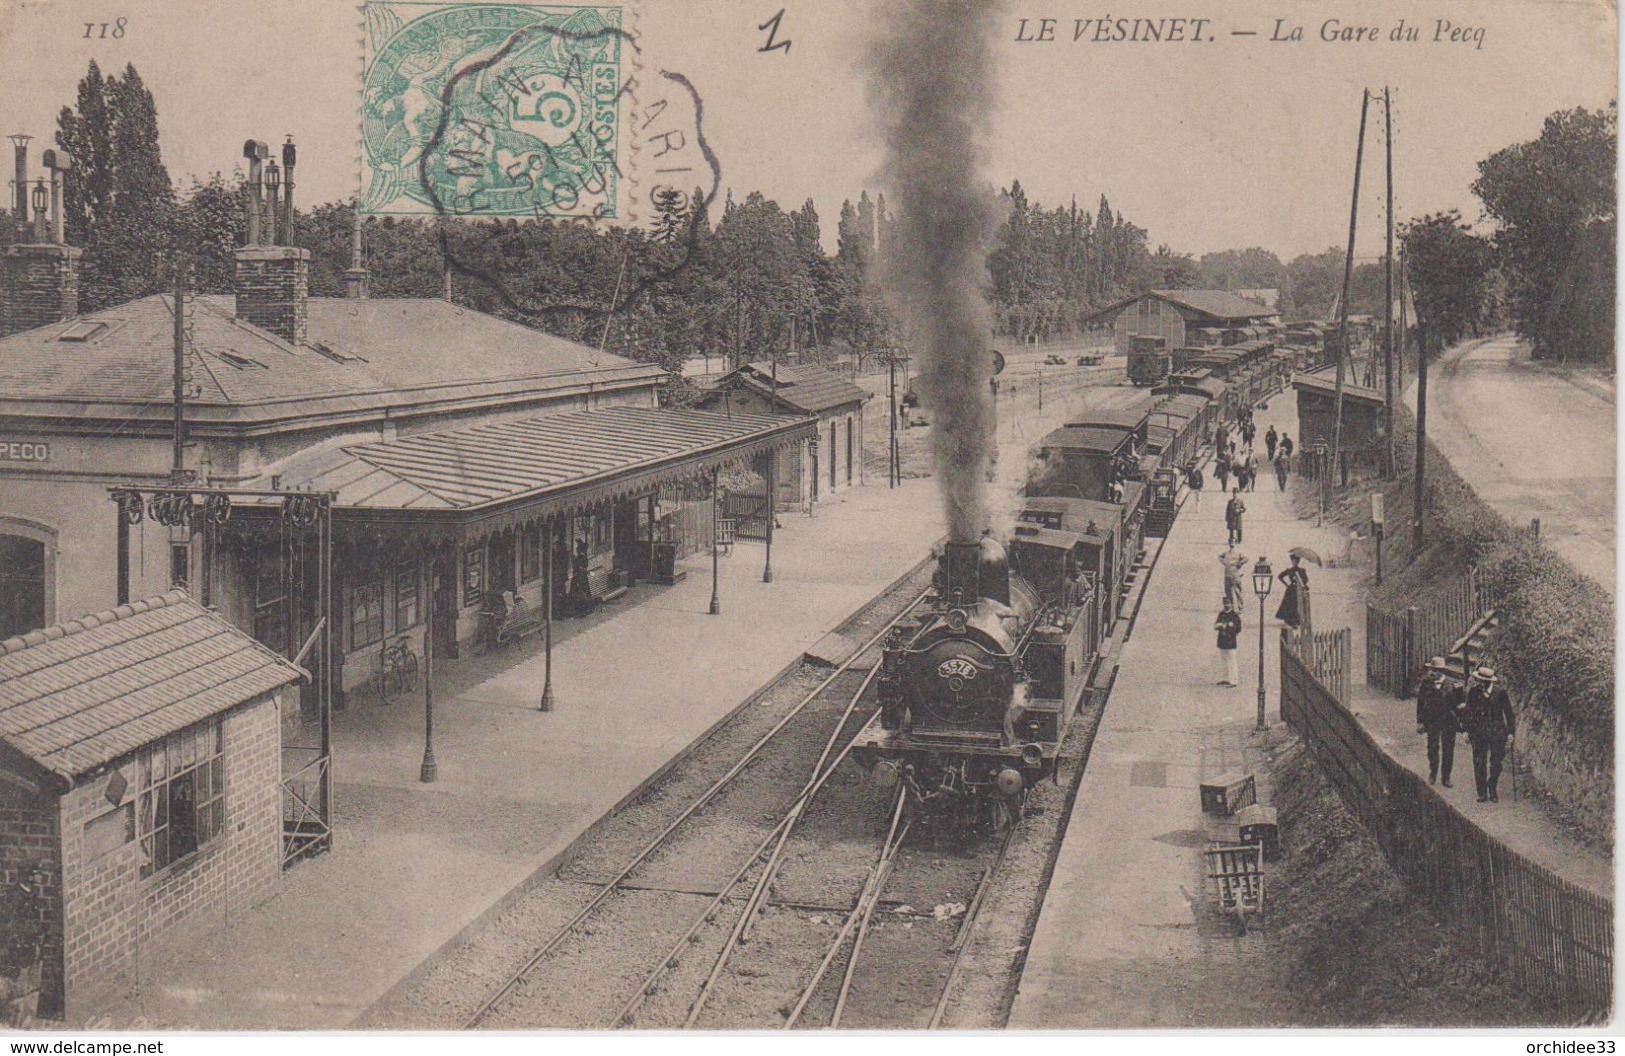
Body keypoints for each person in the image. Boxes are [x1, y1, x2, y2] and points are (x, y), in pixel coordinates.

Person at [1462, 666, 1516, 802]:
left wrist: (1511, 732)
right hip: (1478, 732)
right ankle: (1482, 793)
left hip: (1497, 732)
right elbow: (1468, 712)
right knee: (1479, 762)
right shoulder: (1474, 693)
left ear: (1489, 681)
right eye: (1479, 680)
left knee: (1496, 763)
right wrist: (1465, 730)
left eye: (1483, 681)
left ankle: (1492, 787)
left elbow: (1509, 713)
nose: (1480, 683)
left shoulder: (1500, 693)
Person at [1415, 657, 1463, 787]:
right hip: (1432, 720)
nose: (1433, 673)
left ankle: (1446, 777)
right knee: (1432, 747)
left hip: (1449, 721)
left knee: (1448, 749)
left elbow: (1459, 705)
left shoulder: (1453, 685)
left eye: (1436, 670)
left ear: (1442, 671)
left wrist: (1462, 722)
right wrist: (1420, 721)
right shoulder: (1426, 684)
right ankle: (1433, 773)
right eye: (1432, 670)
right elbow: (1420, 703)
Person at [1274, 553, 1308, 629]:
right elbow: (1280, 576)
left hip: (1298, 590)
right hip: (1291, 590)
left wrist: (1300, 580)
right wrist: (1286, 584)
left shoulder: (1301, 570)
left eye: (1295, 561)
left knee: (1297, 605)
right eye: (1293, 561)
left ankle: (1297, 621)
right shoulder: (1290, 570)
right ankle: (1289, 621)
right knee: (1289, 605)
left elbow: (1306, 580)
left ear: (1298, 562)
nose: (1294, 562)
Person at [1214, 599, 1242, 687]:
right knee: (1223, 661)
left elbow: (1238, 628)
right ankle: (1225, 678)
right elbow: (1215, 626)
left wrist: (1230, 628)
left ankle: (1234, 680)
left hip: (1230, 641)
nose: (1226, 605)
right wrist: (1220, 625)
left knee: (1232, 661)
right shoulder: (1221, 614)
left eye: (1228, 603)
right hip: (1222, 641)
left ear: (1231, 605)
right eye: (1225, 603)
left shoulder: (1234, 615)